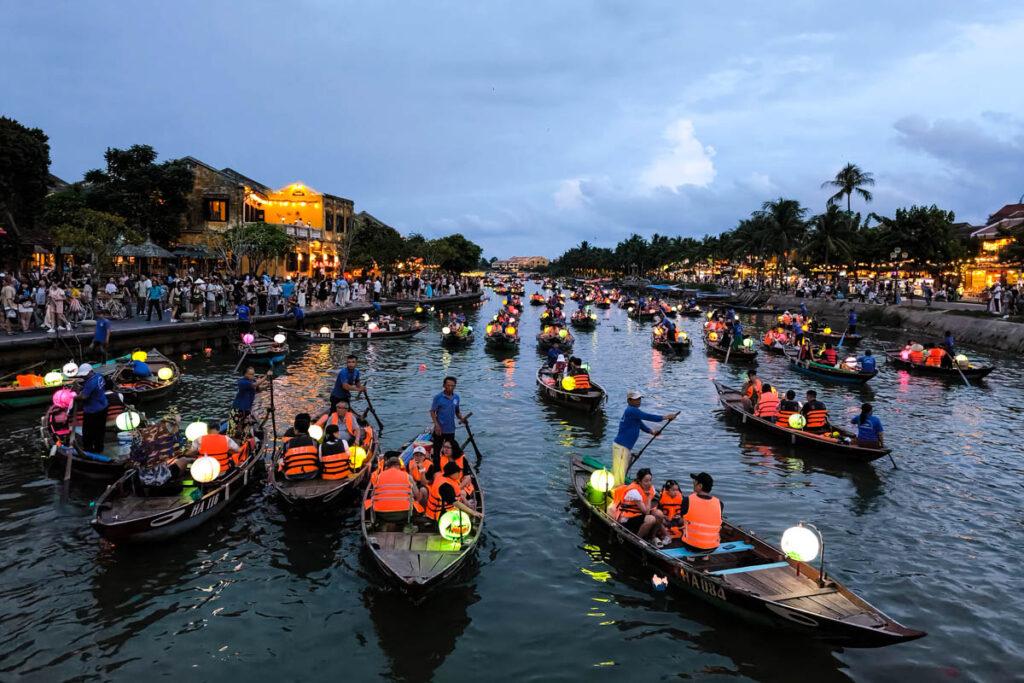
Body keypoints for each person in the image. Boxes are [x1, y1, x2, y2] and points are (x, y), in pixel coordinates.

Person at [611, 391, 678, 485]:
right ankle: (616, 494)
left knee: (620, 471)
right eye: (636, 399)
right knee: (619, 474)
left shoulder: (632, 412)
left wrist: (651, 432)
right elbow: (647, 416)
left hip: (624, 447)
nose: (639, 401)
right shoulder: (632, 410)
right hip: (621, 447)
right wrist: (665, 417)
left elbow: (640, 424)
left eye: (639, 399)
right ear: (629, 400)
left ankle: (617, 489)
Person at [610, 468, 664, 543]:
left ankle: (652, 537)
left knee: (659, 514)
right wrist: (648, 498)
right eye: (646, 481)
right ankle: (637, 539)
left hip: (640, 514)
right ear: (639, 481)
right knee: (651, 519)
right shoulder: (634, 491)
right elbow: (646, 512)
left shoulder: (650, 488)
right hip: (629, 517)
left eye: (650, 480)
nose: (649, 483)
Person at [679, 472, 723, 552]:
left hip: (691, 546)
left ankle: (691, 556)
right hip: (713, 547)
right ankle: (705, 556)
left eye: (695, 481)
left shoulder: (687, 500)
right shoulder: (719, 503)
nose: (693, 482)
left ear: (700, 486)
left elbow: (682, 520)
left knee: (682, 526)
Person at [430, 376, 466, 467]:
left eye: (452, 386)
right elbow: (432, 412)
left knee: (450, 450)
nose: (450, 387)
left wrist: (462, 418)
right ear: (444, 385)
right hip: (440, 429)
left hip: (451, 429)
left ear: (455, 386)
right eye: (448, 385)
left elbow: (457, 411)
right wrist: (436, 425)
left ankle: (450, 467)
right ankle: (437, 469)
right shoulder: (438, 397)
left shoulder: (456, 397)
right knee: (437, 450)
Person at [370, 457, 419, 522]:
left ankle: (374, 521)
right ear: (399, 466)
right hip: (404, 513)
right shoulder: (407, 476)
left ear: (387, 466)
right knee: (415, 502)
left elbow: (372, 495)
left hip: (381, 513)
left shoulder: (379, 476)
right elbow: (417, 495)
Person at [76, 364, 108, 453]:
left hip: (93, 411)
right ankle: (99, 449)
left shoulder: (91, 383)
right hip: (103, 406)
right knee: (100, 430)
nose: (83, 376)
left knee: (88, 433)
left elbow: (83, 397)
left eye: (85, 374)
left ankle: (88, 451)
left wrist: (74, 397)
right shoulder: (99, 376)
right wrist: (83, 388)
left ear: (90, 371)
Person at [279, 413, 320, 480]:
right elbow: (318, 458)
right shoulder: (314, 441)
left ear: (296, 430)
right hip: (312, 474)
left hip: (291, 476)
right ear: (308, 427)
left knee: (281, 461)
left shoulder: (288, 443)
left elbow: (284, 459)